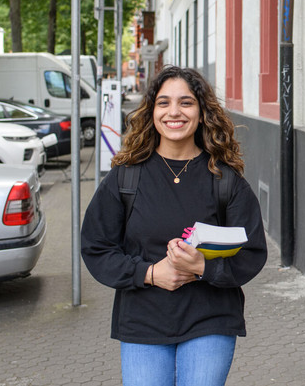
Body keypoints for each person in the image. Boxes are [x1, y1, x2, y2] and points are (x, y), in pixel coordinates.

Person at [81, 66, 267, 386]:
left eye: (186, 102)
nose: (174, 112)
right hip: (143, 320)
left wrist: (203, 268)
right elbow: (96, 247)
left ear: (202, 112)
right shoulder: (126, 178)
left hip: (210, 318)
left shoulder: (226, 181)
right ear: (152, 111)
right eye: (164, 103)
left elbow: (252, 253)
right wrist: (150, 273)